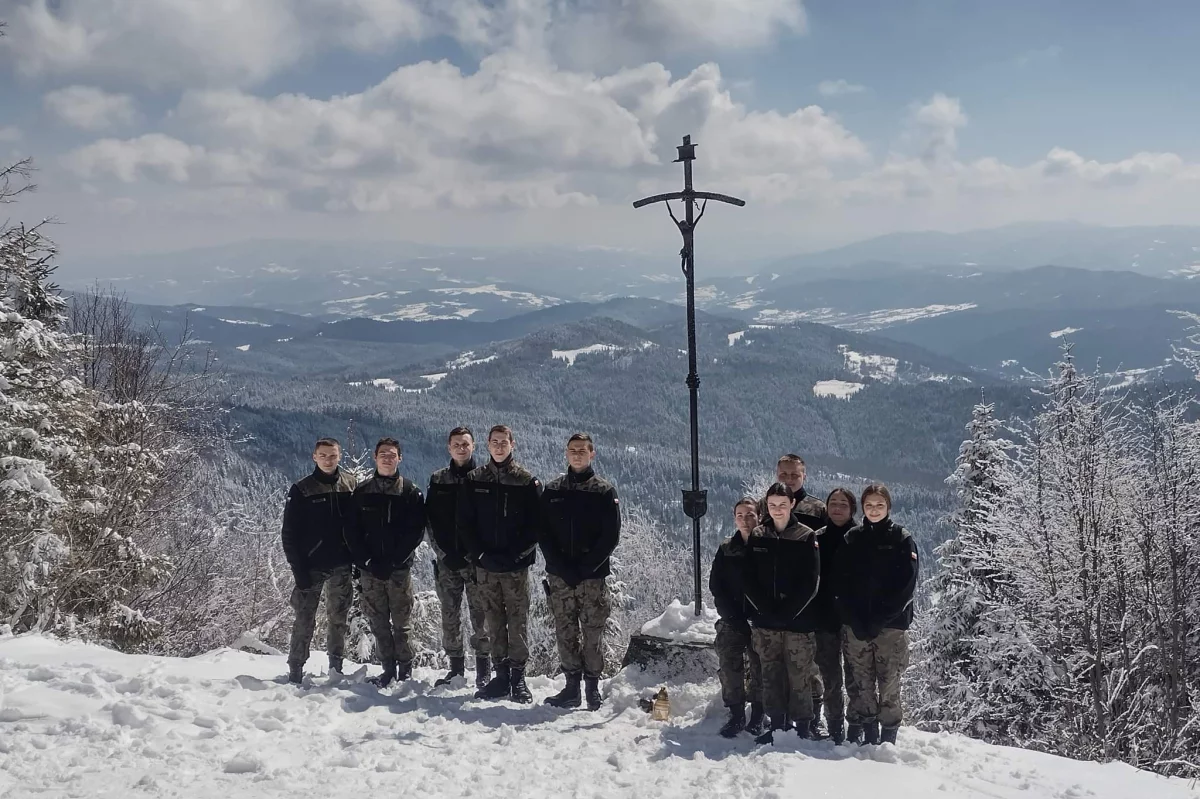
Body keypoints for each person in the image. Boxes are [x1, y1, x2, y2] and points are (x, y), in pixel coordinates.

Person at [457, 424, 542, 703]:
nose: (499, 446)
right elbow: (465, 522)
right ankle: (500, 676)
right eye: (495, 442)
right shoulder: (474, 479)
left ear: (512, 444)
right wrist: (480, 555)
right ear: (488, 444)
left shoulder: (526, 481)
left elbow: (535, 526)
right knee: (493, 620)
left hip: (515, 566)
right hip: (485, 566)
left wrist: (515, 556)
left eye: (504, 442)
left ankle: (518, 679)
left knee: (517, 621)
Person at [538, 433, 621, 712]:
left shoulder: (604, 491)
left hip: (592, 577)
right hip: (560, 576)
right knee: (565, 631)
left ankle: (592, 688)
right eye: (573, 450)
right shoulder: (552, 490)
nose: (577, 454)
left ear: (592, 454)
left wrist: (586, 568)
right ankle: (571, 688)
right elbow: (544, 533)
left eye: (582, 450)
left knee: (593, 632)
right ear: (566, 453)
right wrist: (561, 567)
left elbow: (610, 537)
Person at [834, 483, 918, 745]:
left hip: (891, 626)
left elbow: (906, 586)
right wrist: (854, 619)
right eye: (869, 505)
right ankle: (869, 733)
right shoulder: (852, 539)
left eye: (879, 505)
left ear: (888, 507)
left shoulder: (901, 539)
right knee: (862, 681)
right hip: (856, 626)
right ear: (863, 507)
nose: (874, 510)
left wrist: (881, 618)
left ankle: (889, 736)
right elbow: (839, 585)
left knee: (889, 681)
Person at [743, 483, 820, 744]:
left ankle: (802, 727)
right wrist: (765, 609)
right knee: (771, 674)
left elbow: (811, 581)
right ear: (767, 505)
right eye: (773, 505)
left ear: (792, 505)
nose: (777, 510)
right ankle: (776, 725)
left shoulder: (805, 535)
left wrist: (788, 612)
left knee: (800, 674)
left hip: (798, 621)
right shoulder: (758, 534)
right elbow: (748, 578)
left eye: (782, 504)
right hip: (765, 621)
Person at [346, 437, 426, 688]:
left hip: (399, 570)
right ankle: (387, 669)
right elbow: (351, 532)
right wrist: (367, 561)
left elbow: (415, 532)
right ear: (375, 456)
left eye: (392, 454)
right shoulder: (362, 492)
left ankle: (405, 669)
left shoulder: (410, 492)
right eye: (383, 454)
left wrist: (393, 561)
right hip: (370, 570)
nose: (388, 458)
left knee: (402, 623)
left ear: (399, 458)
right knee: (378, 622)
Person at [281, 437, 358, 684]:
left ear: (340, 455)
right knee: (304, 618)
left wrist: (356, 561)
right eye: (323, 455)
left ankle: (336, 666)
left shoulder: (350, 484)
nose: (328, 459)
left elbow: (358, 527)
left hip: (342, 565)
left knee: (339, 618)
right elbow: (289, 534)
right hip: (311, 566)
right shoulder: (302, 489)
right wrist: (298, 569)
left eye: (332, 455)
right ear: (314, 457)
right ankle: (296, 668)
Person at [763, 453, 828, 729]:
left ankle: (813, 717)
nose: (789, 479)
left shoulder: (817, 509)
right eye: (784, 474)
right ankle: (777, 718)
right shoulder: (765, 504)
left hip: (807, 598)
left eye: (794, 474)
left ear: (804, 476)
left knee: (808, 666)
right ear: (777, 474)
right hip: (772, 597)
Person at [426, 426, 492, 690]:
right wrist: (442, 553)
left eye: (465, 444)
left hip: (477, 562)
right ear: (449, 447)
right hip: (446, 562)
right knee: (449, 614)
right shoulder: (438, 479)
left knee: (481, 615)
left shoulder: (484, 478)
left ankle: (484, 670)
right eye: (456, 444)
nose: (461, 448)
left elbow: (490, 523)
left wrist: (477, 554)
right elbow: (429, 520)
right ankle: (455, 669)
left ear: (473, 446)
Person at [709, 497, 765, 738]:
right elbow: (716, 585)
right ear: (734, 518)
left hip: (762, 620)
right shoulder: (726, 548)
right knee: (729, 663)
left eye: (750, 514)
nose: (745, 519)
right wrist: (730, 615)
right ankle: (736, 713)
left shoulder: (767, 545)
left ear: (759, 517)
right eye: (740, 515)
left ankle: (759, 713)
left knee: (761, 665)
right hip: (732, 618)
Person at [809, 487, 858, 743]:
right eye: (833, 503)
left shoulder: (860, 537)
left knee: (855, 678)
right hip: (824, 619)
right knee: (829, 678)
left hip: (853, 622)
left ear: (852, 509)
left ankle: (856, 727)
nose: (838, 508)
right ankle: (835, 726)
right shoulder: (816, 537)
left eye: (843, 504)